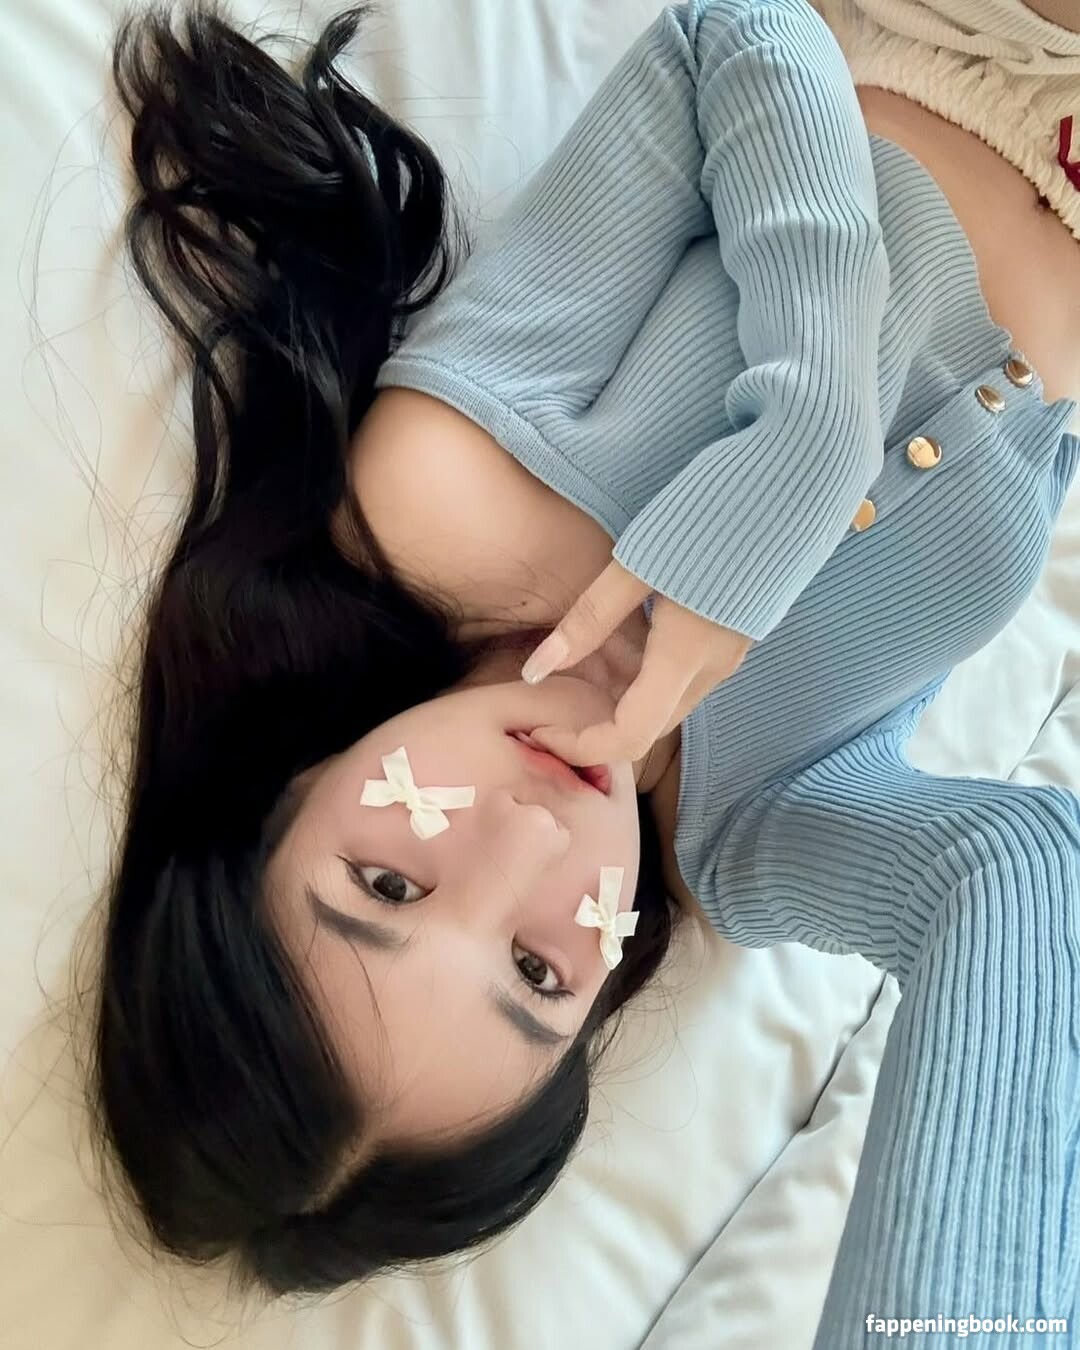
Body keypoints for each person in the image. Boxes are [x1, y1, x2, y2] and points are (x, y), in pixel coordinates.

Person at [85, 0, 1080, 1343]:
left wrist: (811, 424)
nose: (532, 839)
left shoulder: (448, 506)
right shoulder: (760, 836)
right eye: (540, 972)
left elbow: (731, 31)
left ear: (290, 792)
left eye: (389, 883)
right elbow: (1021, 873)